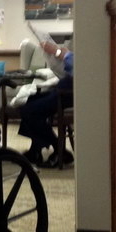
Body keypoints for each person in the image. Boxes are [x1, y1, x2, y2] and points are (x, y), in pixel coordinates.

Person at [18, 40, 74, 168]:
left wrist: (57, 51)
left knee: (30, 111)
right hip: (63, 85)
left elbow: (76, 63)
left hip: (68, 91)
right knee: (29, 100)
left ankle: (60, 149)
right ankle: (35, 150)